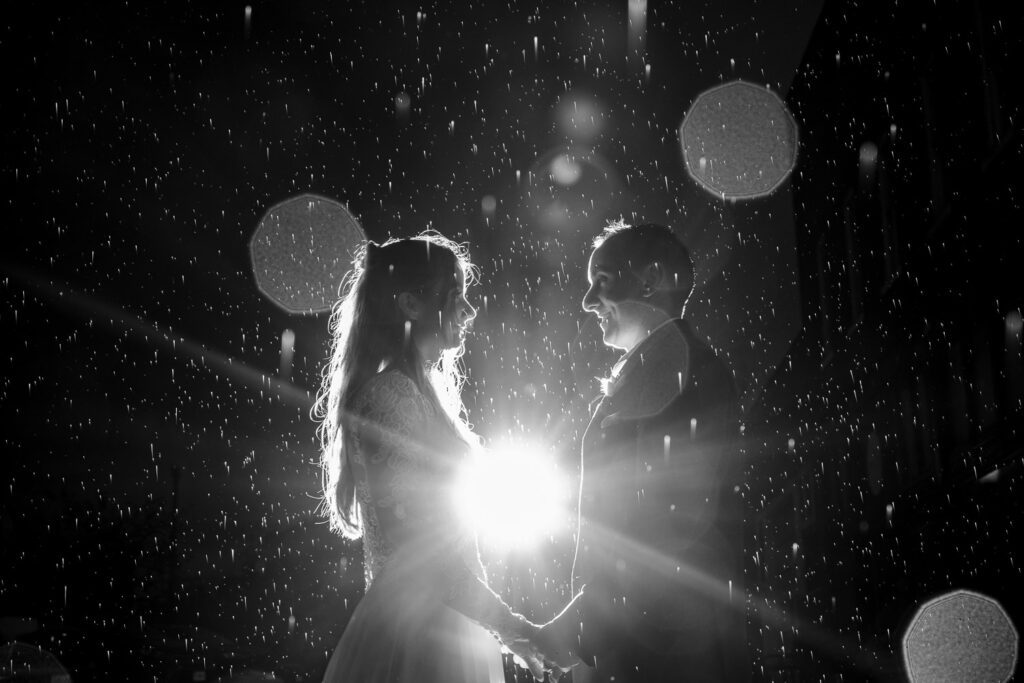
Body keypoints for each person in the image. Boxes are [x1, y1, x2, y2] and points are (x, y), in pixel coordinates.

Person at [314, 233, 574, 683]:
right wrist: (515, 629)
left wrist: (505, 630)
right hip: (416, 635)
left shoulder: (415, 395)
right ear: (411, 305)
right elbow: (421, 551)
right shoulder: (389, 397)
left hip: (442, 623)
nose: (469, 312)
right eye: (456, 297)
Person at [541, 222, 747, 682]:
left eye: (603, 281)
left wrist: (582, 621)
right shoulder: (661, 363)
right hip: (649, 636)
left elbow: (668, 519)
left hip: (667, 644)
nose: (588, 301)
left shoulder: (676, 366)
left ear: (651, 280)